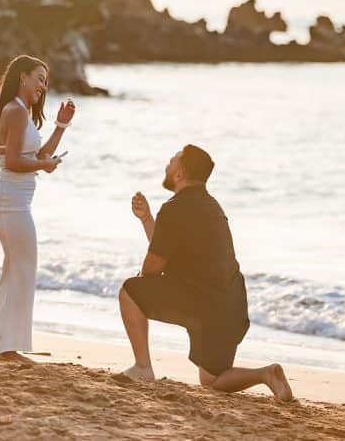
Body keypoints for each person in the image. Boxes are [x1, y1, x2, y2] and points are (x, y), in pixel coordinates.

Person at [118, 145, 294, 401]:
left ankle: (143, 366)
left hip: (202, 304)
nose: (167, 166)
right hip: (231, 307)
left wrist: (144, 275)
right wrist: (146, 219)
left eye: (171, 162)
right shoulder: (213, 207)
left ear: (179, 174)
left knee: (129, 291)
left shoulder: (174, 208)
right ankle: (265, 374)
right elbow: (169, 251)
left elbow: (154, 266)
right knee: (211, 381)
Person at [0, 55, 75, 361]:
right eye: (39, 77)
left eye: (45, 80)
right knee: (24, 271)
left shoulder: (22, 113)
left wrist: (61, 126)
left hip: (11, 202)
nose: (43, 85)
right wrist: (44, 165)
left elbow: (38, 154)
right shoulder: (14, 111)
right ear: (23, 77)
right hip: (9, 203)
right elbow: (14, 162)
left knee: (14, 271)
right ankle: (7, 348)